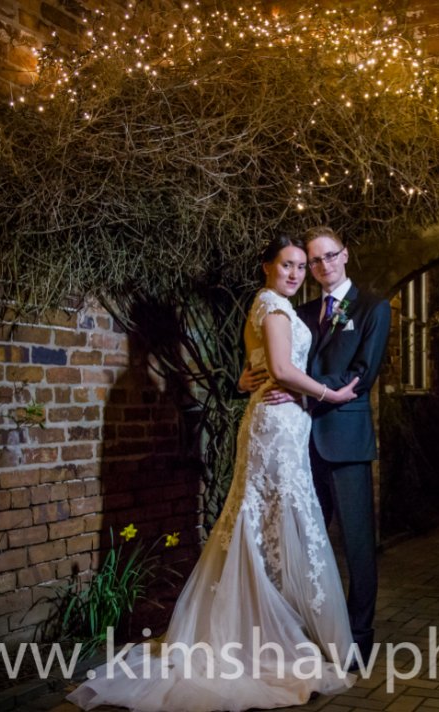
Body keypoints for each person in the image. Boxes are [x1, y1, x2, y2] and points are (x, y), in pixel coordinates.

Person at [68, 236, 359, 711]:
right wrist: (331, 395)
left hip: (271, 422)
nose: (295, 273)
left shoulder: (264, 306)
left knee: (264, 521)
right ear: (266, 266)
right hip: (277, 424)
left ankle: (262, 625)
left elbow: (253, 371)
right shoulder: (275, 307)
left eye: (302, 267)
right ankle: (264, 634)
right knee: (279, 520)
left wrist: (256, 379)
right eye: (286, 264)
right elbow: (283, 370)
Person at [241, 226, 390, 664]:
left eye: (329, 256)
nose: (322, 265)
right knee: (304, 541)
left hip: (345, 441)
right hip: (298, 442)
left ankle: (359, 638)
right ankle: (306, 630)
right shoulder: (298, 310)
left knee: (358, 545)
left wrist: (306, 390)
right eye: (313, 260)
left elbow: (362, 374)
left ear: (345, 255)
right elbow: (274, 359)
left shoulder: (372, 308)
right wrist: (246, 376)